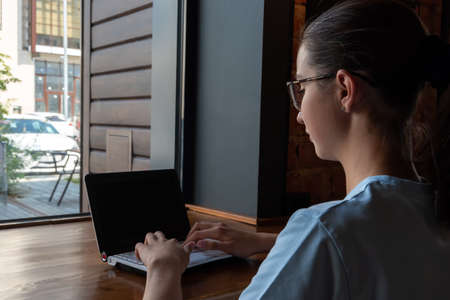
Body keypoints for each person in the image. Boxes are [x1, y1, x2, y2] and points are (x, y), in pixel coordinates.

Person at [135, 0, 450, 299]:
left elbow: (336, 241)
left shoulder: (322, 229)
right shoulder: (431, 214)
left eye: (302, 87)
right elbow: (372, 250)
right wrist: (275, 242)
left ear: (345, 89)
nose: (299, 113)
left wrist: (163, 268)